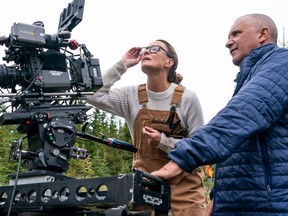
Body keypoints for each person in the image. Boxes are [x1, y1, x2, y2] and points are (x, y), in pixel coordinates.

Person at [151, 14, 288, 215]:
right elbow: (239, 141)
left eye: (236, 33)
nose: (228, 42)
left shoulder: (282, 63)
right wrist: (217, 197)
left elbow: (241, 115)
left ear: (262, 34)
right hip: (243, 204)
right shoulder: (249, 78)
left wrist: (185, 156)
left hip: (268, 206)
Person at [86, 39, 206, 215]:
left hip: (185, 179)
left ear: (169, 62)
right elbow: (92, 95)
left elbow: (200, 147)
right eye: (146, 48)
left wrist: (163, 141)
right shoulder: (131, 96)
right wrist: (123, 64)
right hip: (146, 180)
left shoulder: (187, 98)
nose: (147, 51)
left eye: (155, 48)